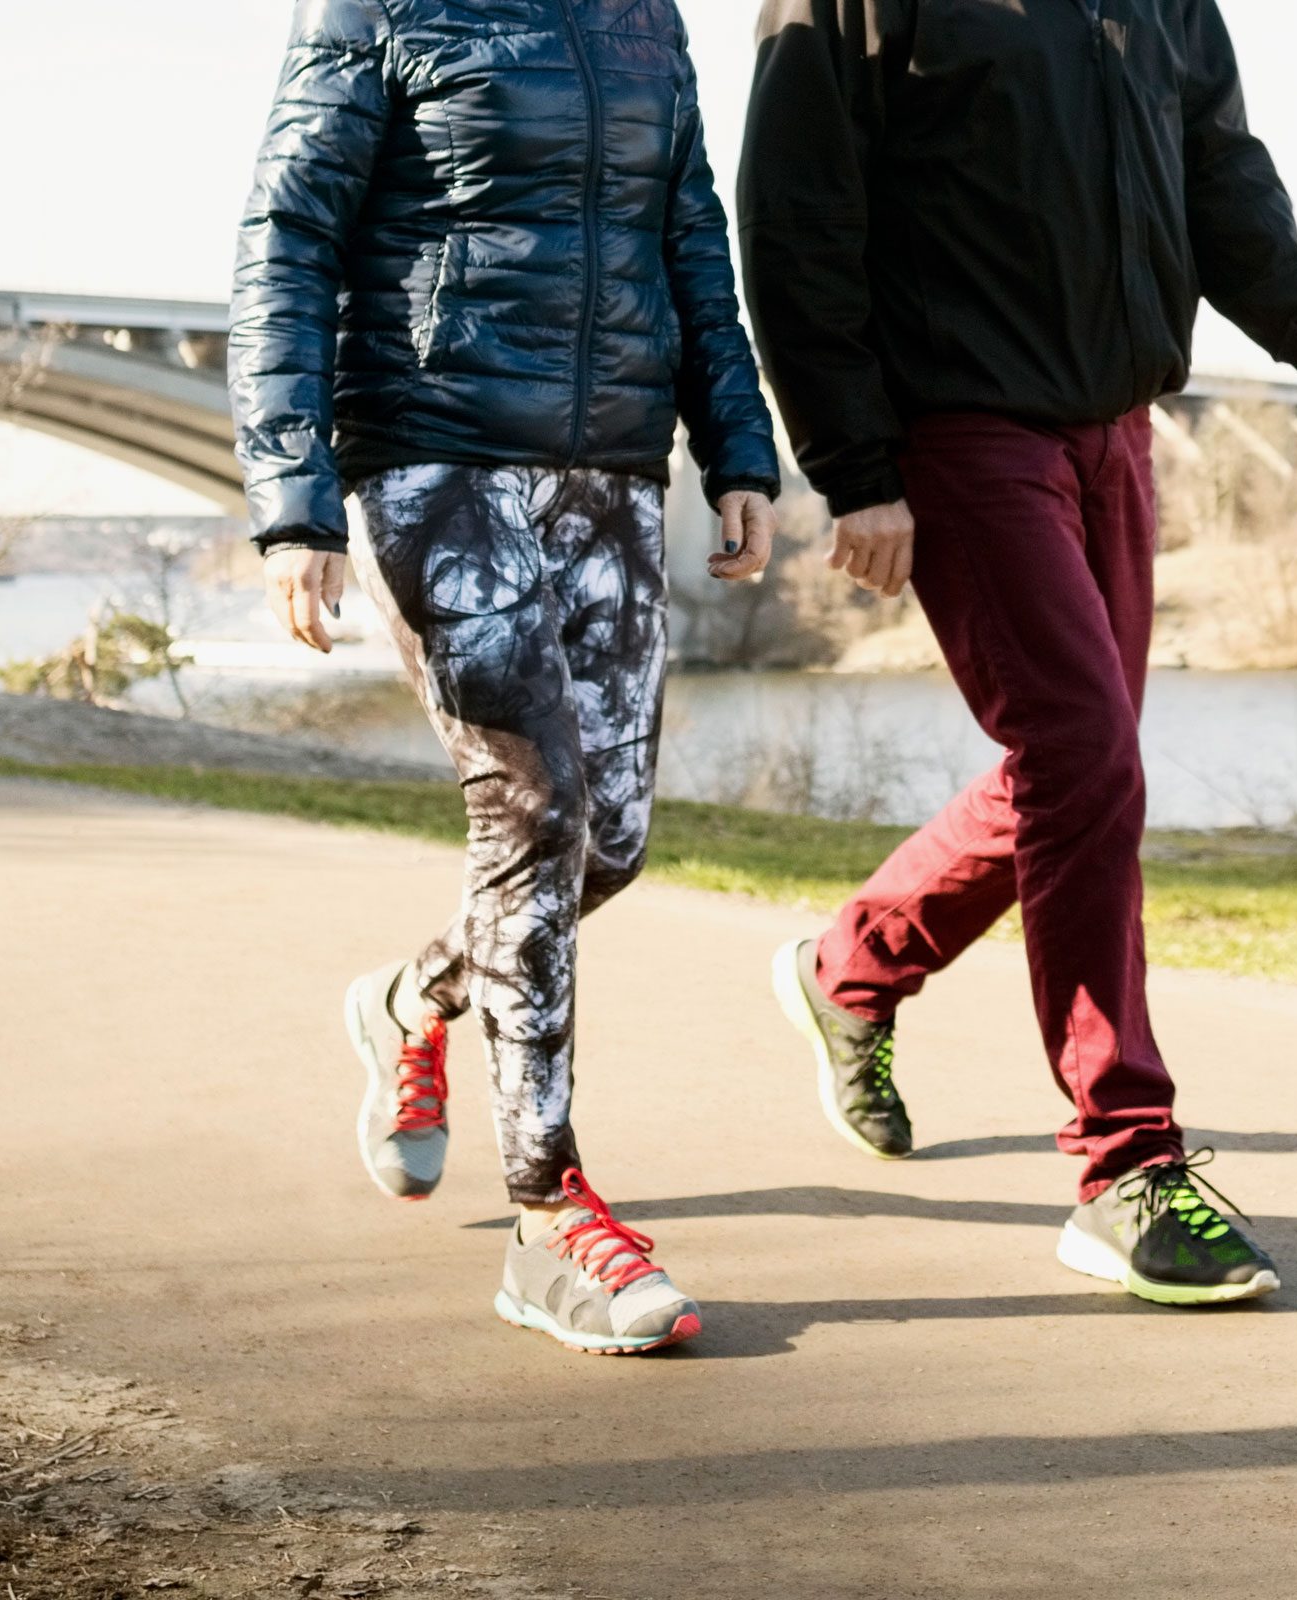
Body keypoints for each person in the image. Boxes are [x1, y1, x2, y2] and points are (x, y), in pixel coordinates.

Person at [739, 0, 1297, 1306]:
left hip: (1117, 428)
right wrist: (855, 465)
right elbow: (796, 215)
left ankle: (852, 967)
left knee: (1079, 771)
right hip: (964, 426)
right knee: (1084, 757)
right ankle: (1125, 1168)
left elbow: (1219, 169)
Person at [229, 0, 779, 1354]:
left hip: (611, 465)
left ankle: (411, 998)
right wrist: (292, 502)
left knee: (614, 841)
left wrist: (740, 445)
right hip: (434, 450)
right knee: (530, 811)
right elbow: (288, 235)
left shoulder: (645, 19)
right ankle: (549, 1218)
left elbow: (690, 233)